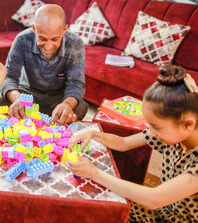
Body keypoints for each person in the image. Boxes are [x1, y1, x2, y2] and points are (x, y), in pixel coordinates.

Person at [67, 65, 198, 222]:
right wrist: (93, 133)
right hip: (163, 212)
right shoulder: (174, 134)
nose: (150, 133)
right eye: (149, 125)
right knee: (99, 204)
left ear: (188, 124)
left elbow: (154, 199)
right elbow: (123, 143)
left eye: (156, 127)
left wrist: (94, 173)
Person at [0, 4, 88, 125]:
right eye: (42, 39)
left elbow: (76, 83)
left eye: (55, 39)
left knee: (79, 107)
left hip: (57, 98)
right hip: (26, 93)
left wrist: (66, 104)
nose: (48, 47)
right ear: (34, 29)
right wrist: (18, 98)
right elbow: (8, 76)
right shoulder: (22, 39)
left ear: (64, 30)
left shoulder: (75, 44)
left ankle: (48, 119)